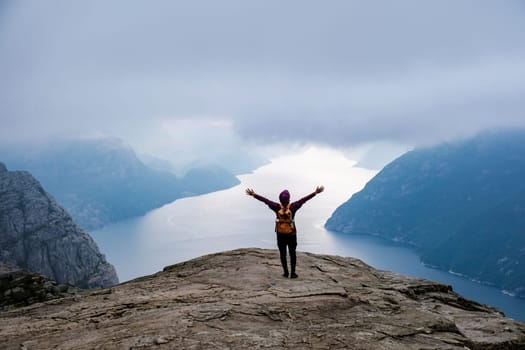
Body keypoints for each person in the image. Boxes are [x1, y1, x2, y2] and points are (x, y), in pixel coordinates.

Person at [245, 185, 325, 278]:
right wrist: (315, 193)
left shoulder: (276, 207)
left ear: (280, 199)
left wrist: (254, 194)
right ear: (289, 199)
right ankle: (293, 273)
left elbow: (265, 201)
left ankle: (286, 273)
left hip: (280, 234)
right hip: (292, 234)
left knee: (283, 254)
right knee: (292, 253)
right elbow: (304, 200)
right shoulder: (294, 206)